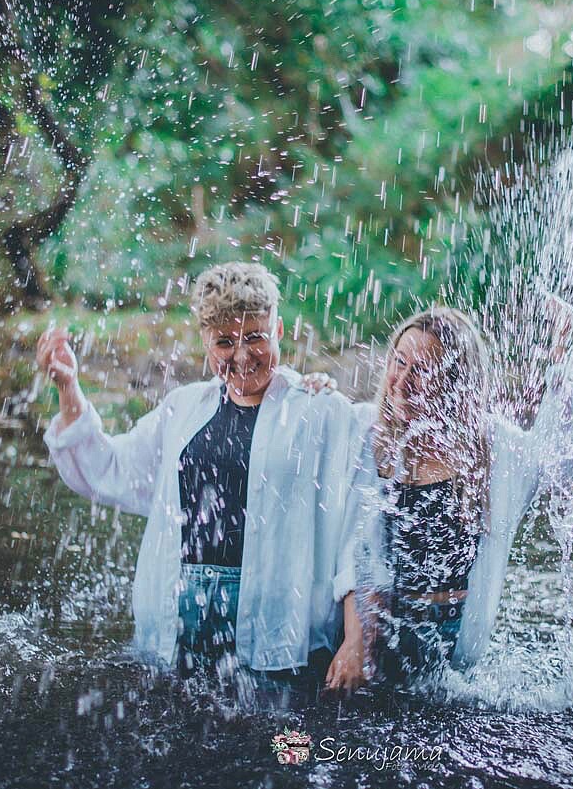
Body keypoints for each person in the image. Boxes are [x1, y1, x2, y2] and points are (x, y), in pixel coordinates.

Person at [38, 262, 361, 689]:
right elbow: (111, 469)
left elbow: (356, 530)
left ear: (279, 330)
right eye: (225, 343)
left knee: (279, 749)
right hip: (180, 619)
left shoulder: (320, 410)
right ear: (206, 343)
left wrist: (357, 637)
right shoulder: (184, 408)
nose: (242, 356)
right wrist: (68, 388)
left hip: (279, 625)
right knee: (189, 742)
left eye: (255, 338)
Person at [324, 301, 573, 689]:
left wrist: (567, 368)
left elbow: (559, 458)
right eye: (399, 363)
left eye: (421, 371)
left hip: (451, 638)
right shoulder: (367, 435)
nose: (402, 381)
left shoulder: (493, 448)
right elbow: (356, 550)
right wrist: (307, 386)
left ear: (455, 382)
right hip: (379, 629)